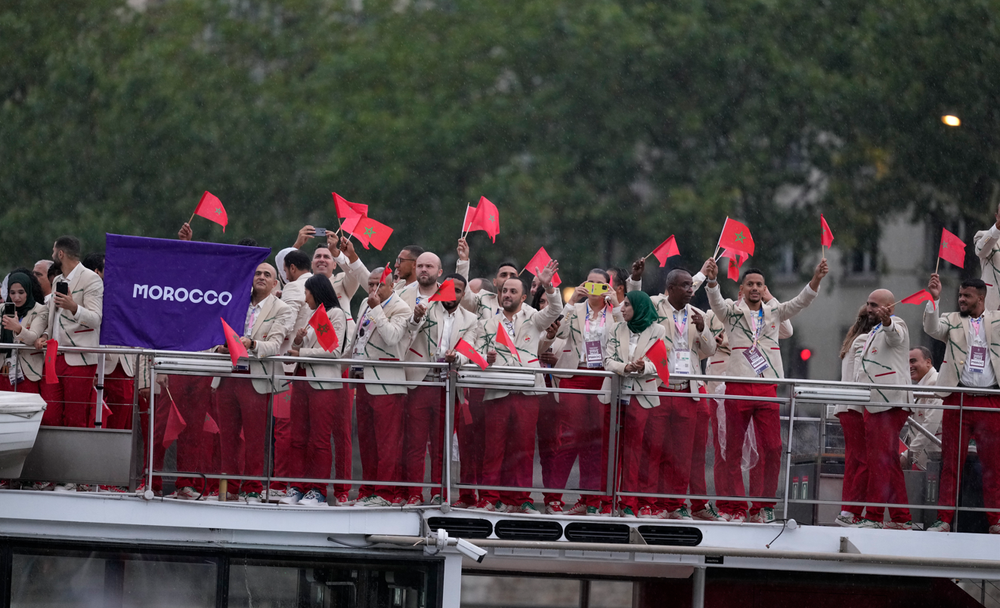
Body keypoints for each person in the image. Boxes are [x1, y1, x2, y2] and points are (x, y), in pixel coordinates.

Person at [702, 256, 828, 523]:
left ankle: (764, 507)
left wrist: (815, 279)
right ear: (742, 289)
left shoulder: (774, 311)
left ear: (765, 288)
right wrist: (712, 280)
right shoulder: (731, 313)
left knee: (772, 447)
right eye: (750, 284)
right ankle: (736, 508)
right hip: (737, 386)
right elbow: (715, 302)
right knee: (732, 450)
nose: (755, 288)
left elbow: (800, 302)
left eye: (759, 284)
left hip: (766, 386)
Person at [474, 260, 563, 513]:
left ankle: (520, 499)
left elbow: (555, 310)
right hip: (498, 389)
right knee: (494, 448)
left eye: (513, 291)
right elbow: (478, 353)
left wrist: (548, 285)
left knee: (523, 448)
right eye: (504, 291)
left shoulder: (534, 319)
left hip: (527, 390)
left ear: (524, 297)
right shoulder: (488, 322)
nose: (508, 295)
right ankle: (491, 499)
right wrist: (485, 358)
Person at [922, 275, 1000, 534]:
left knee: (993, 464)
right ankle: (944, 519)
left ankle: (996, 521)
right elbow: (931, 329)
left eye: (966, 296)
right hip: (958, 397)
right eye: (959, 295)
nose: (961, 300)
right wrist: (934, 299)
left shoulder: (997, 320)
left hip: (990, 398)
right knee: (951, 462)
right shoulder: (952, 319)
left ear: (981, 297)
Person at [214, 263, 293, 502]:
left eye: (266, 274)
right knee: (226, 437)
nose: (261, 277)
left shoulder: (282, 309)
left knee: (255, 438)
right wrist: (218, 347)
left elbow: (275, 345)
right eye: (257, 273)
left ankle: (252, 488)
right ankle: (228, 487)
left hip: (255, 377)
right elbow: (213, 332)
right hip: (228, 376)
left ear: (275, 283)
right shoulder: (234, 300)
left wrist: (252, 344)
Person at [401, 273, 481, 506]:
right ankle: (414, 494)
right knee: (415, 443)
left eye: (457, 290)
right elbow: (408, 335)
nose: (452, 294)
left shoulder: (470, 319)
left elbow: (470, 349)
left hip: (448, 384)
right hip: (423, 381)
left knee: (441, 445)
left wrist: (457, 357)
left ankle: (440, 494)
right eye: (448, 289)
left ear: (463, 294)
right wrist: (415, 319)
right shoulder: (425, 307)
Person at [645, 268, 716, 519]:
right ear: (671, 288)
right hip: (660, 388)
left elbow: (709, 350)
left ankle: (674, 505)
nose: (690, 290)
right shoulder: (656, 305)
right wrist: (634, 279)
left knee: (681, 454)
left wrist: (704, 329)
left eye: (691, 286)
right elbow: (635, 301)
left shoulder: (697, 314)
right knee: (654, 449)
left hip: (687, 390)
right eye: (685, 286)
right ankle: (651, 504)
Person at [549, 269, 620, 515]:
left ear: (608, 287)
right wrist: (571, 302)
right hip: (576, 375)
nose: (594, 288)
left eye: (600, 284)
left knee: (597, 442)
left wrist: (617, 302)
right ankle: (553, 498)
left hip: (604, 377)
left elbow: (625, 332)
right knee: (569, 438)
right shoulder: (577, 309)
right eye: (590, 282)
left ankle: (590, 500)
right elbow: (559, 332)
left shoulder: (614, 311)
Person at [282, 274, 349, 507]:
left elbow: (334, 351)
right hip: (302, 379)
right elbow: (300, 348)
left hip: (323, 383)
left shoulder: (335, 314)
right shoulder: (312, 315)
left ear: (316, 291)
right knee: (298, 438)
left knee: (319, 439)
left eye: (307, 293)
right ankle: (297, 487)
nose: (305, 297)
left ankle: (317, 491)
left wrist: (301, 353)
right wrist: (298, 342)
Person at [602, 290, 667, 518]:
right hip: (615, 392)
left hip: (641, 395)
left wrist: (642, 368)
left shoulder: (658, 330)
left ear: (639, 307)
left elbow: (660, 363)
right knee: (610, 450)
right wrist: (624, 368)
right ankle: (607, 501)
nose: (623, 308)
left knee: (634, 451)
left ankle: (628, 503)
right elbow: (607, 360)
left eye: (627, 305)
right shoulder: (615, 328)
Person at [350, 268, 412, 507]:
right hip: (363, 377)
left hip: (388, 382)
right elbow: (359, 337)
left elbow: (392, 337)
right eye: (371, 284)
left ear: (391, 286)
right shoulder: (365, 303)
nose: (373, 289)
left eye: (379, 285)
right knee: (367, 441)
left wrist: (376, 308)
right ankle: (368, 490)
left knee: (387, 442)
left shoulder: (401, 308)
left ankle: (385, 493)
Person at [853, 288, 913, 529]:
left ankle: (874, 516)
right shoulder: (873, 331)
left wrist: (887, 320)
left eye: (875, 305)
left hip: (888, 402)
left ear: (890, 307)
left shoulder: (896, 324)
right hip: (877, 402)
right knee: (888, 461)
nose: (870, 308)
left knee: (879, 461)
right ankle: (902, 518)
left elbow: (895, 335)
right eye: (868, 303)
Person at [38, 237, 105, 439]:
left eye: (53, 252)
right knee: (49, 417)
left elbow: (96, 319)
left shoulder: (91, 279)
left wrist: (74, 308)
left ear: (60, 254)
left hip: (79, 358)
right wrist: (44, 334)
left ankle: (75, 467)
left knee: (76, 418)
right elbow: (54, 318)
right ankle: (55, 465)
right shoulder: (58, 281)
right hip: (53, 357)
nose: (52, 255)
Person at [833, 304, 875, 527]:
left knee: (853, 462)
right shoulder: (863, 341)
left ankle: (847, 510)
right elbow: (862, 375)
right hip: (855, 407)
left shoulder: (852, 341)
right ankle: (852, 511)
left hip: (847, 407)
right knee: (866, 461)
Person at [1, 271, 48, 394]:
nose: (16, 297)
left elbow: (33, 337)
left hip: (28, 371)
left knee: (28, 409)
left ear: (28, 291)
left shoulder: (40, 309)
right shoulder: (1, 309)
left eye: (21, 292)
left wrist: (17, 328)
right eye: (12, 293)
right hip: (3, 369)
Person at [904, 346, 943, 471]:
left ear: (928, 362)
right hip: (926, 460)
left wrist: (909, 454)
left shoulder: (935, 383)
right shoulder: (924, 384)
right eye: (907, 362)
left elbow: (931, 424)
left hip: (933, 459)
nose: (909, 366)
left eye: (913, 361)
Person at [973, 203, 1000, 310]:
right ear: (997, 216)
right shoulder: (984, 235)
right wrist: (997, 228)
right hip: (990, 307)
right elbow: (980, 251)